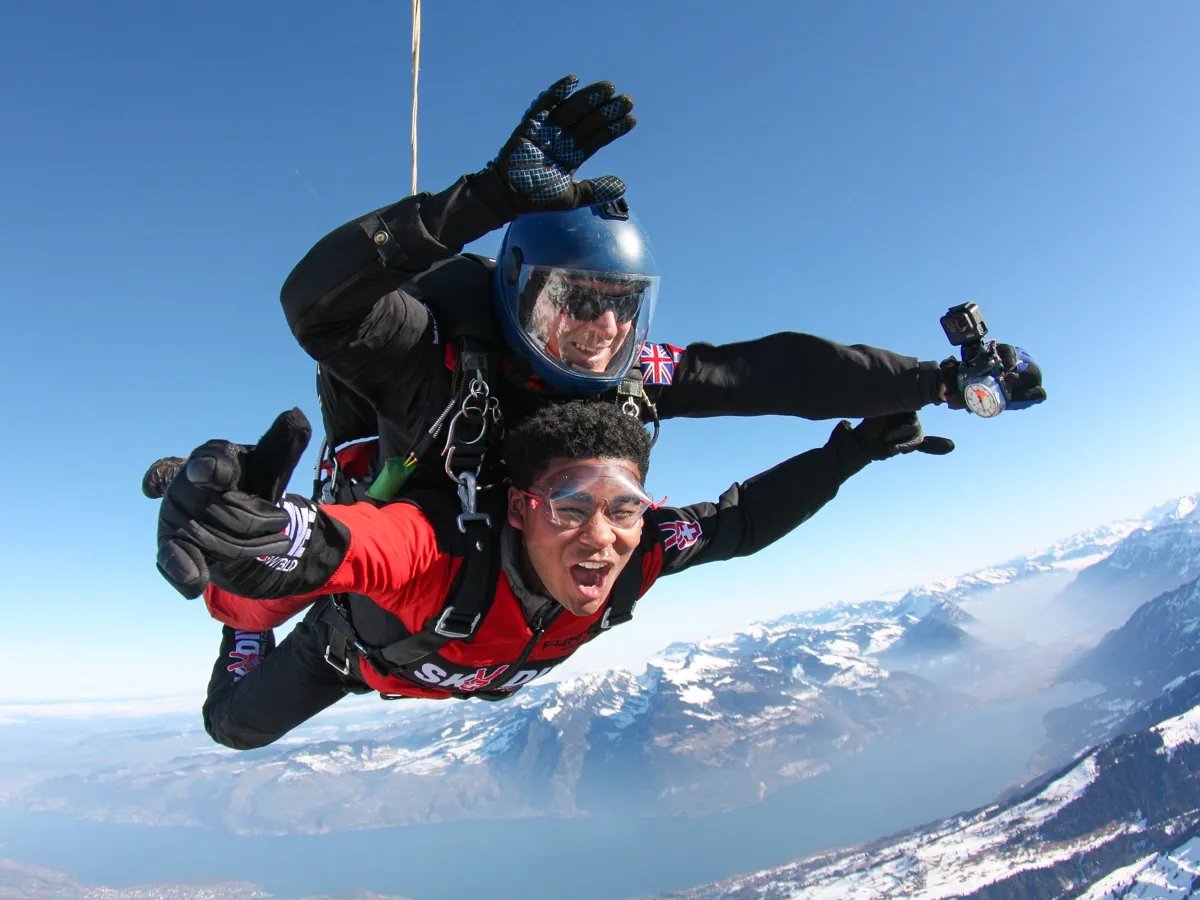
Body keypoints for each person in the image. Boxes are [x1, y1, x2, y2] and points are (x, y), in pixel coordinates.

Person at [277, 74, 1046, 506]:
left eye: (623, 303)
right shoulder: (433, 351)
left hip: (515, 594)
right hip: (392, 569)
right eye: (577, 300)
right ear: (517, 296)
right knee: (243, 722)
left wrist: (939, 381)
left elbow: (772, 373)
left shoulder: (635, 374)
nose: (605, 326)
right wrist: (478, 202)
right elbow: (316, 303)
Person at [154, 402, 953, 750]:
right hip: (348, 653)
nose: (601, 539)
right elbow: (352, 546)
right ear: (519, 509)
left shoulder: (642, 550)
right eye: (569, 509)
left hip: (432, 660)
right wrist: (264, 541)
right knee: (233, 725)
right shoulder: (438, 554)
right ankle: (243, 623)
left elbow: (740, 524)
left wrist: (854, 451)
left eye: (625, 508)